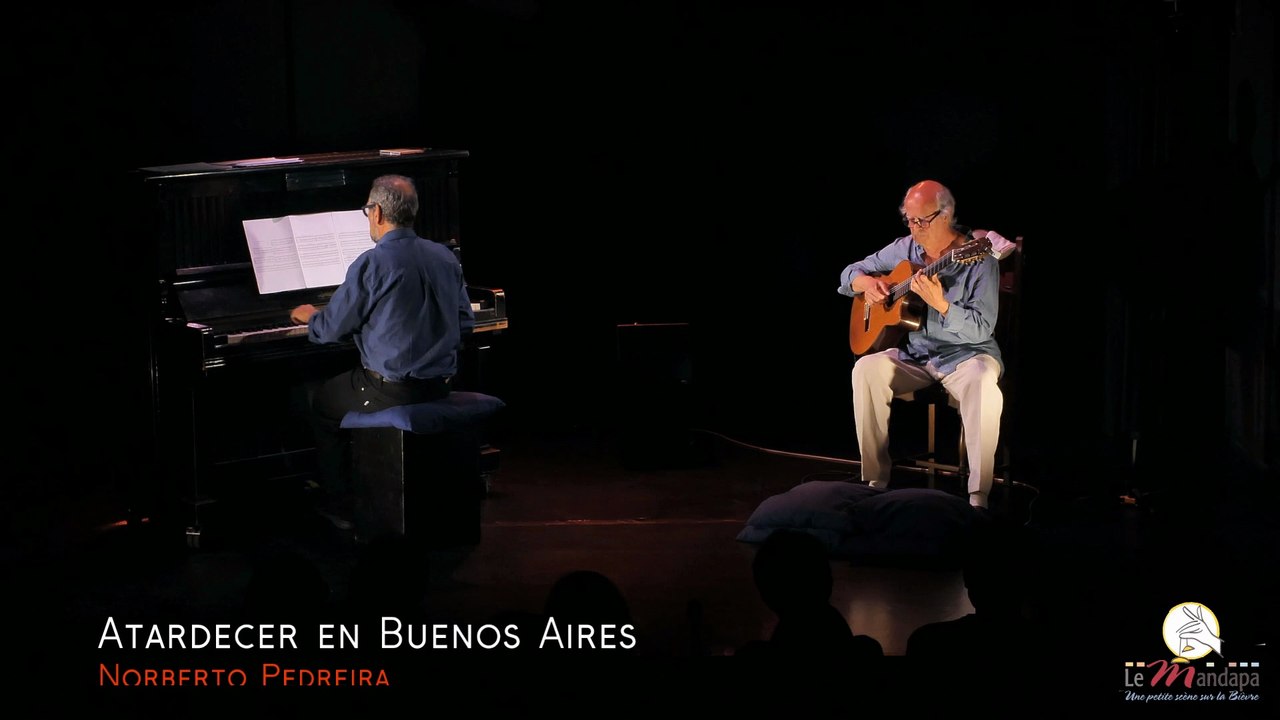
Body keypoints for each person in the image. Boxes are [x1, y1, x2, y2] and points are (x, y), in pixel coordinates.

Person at [290, 174, 474, 529]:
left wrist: (311, 315)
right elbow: (464, 321)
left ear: (376, 212)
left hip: (391, 390)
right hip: (439, 386)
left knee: (318, 400)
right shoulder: (444, 257)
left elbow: (330, 330)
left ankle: (341, 502)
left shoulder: (372, 263)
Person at [838, 180, 1002, 509]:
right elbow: (849, 274)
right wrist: (867, 283)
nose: (914, 229)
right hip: (915, 356)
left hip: (966, 357)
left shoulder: (979, 259)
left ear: (945, 215)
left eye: (921, 221)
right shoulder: (906, 248)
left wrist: (942, 305)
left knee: (983, 380)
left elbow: (982, 329)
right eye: (909, 220)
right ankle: (874, 480)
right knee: (865, 368)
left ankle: (978, 496)